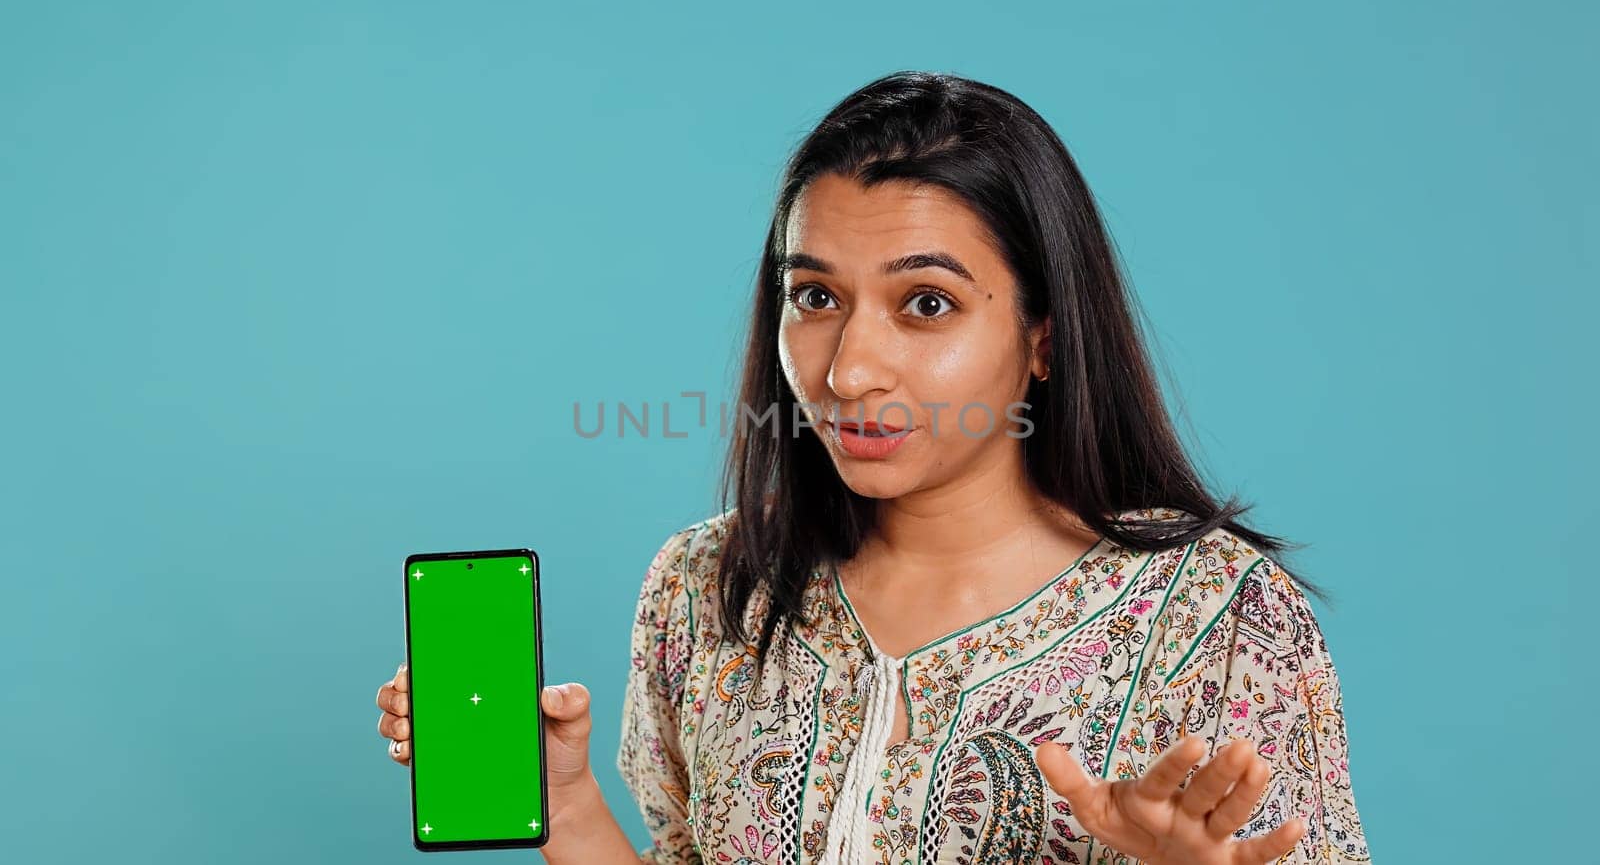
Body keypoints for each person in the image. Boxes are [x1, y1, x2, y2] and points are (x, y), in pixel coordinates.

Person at [376, 70, 1370, 864]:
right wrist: (568, 809)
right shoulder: (707, 591)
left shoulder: (1218, 620)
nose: (848, 369)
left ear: (1043, 339)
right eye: (813, 298)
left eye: (925, 305)